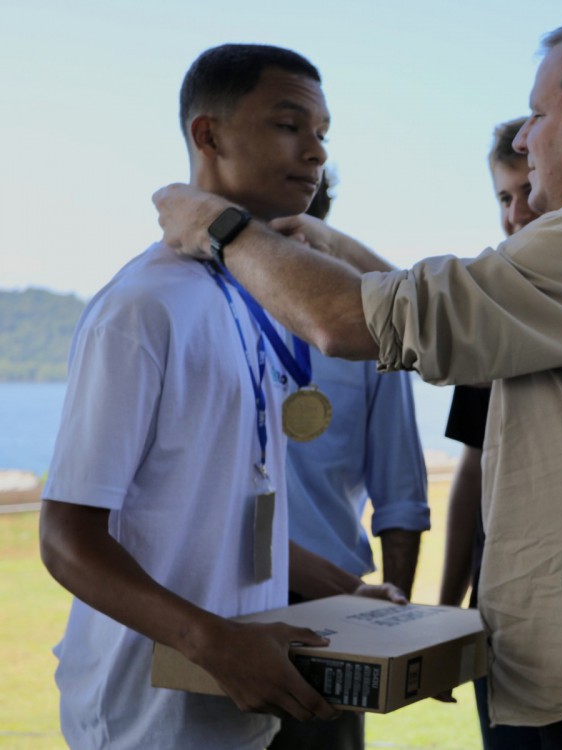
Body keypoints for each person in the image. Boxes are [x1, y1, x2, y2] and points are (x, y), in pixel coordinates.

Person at [154, 10, 562, 748]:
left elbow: (351, 321)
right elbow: (451, 299)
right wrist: (329, 243)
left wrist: (218, 224)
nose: (523, 141)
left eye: (536, 115)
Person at [40, 44, 401, 750]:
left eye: (323, 135)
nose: (315, 153)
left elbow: (221, 503)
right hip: (146, 715)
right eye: (289, 125)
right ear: (208, 135)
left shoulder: (243, 298)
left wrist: (333, 589)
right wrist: (214, 641)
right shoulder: (144, 306)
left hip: (236, 709)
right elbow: (65, 540)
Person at [269, 173, 430, 750]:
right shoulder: (212, 320)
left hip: (331, 616)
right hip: (213, 604)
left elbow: (401, 495)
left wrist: (389, 636)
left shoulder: (368, 339)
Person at [437, 117, 543, 750]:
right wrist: (446, 614)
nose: (517, 212)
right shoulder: (489, 311)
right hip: (494, 612)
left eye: (529, 190)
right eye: (504, 197)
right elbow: (469, 474)